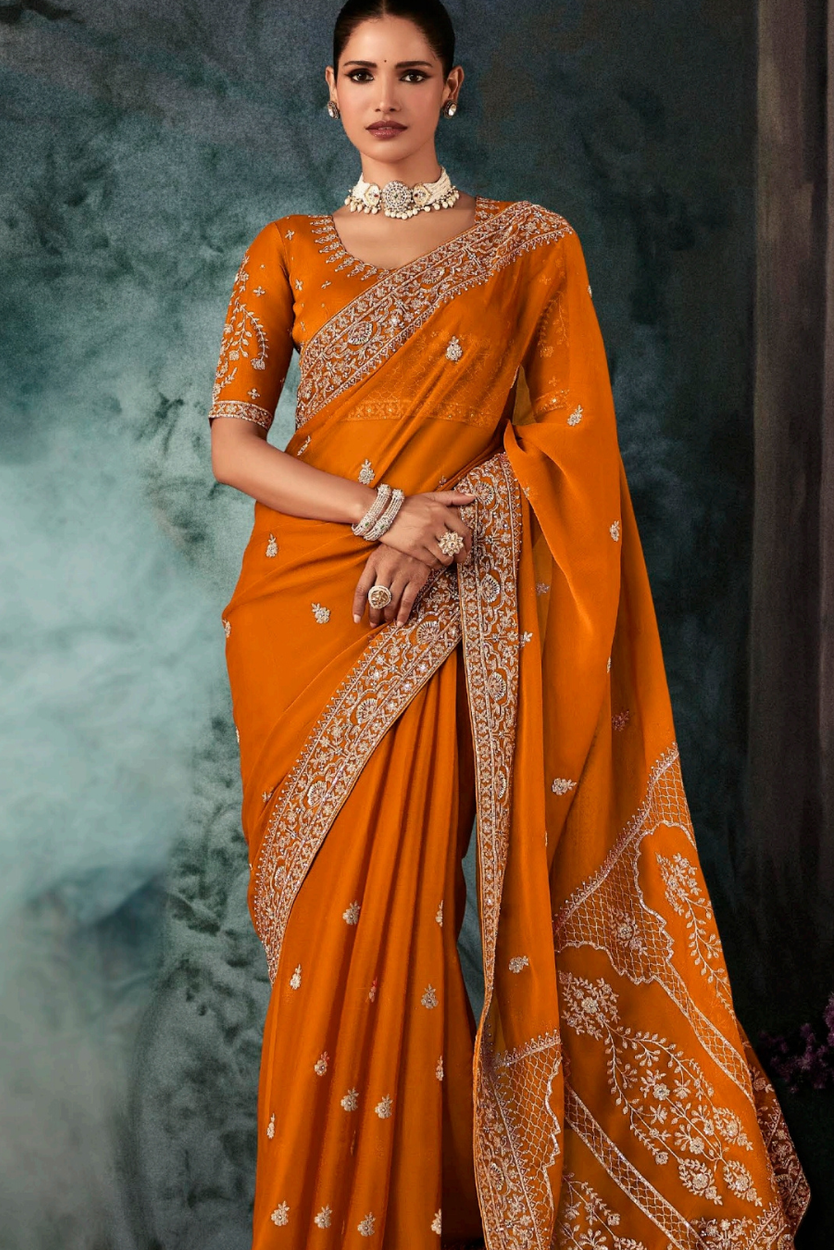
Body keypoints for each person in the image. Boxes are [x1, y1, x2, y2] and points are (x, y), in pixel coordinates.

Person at [206, 2, 811, 1246]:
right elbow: (231, 447)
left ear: (453, 88)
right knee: (323, 935)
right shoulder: (284, 250)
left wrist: (443, 529)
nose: (385, 97)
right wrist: (387, 514)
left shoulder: (528, 244)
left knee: (405, 920)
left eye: (411, 72)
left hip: (443, 620)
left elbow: (571, 452)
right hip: (300, 622)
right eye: (361, 73)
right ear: (329, 90)